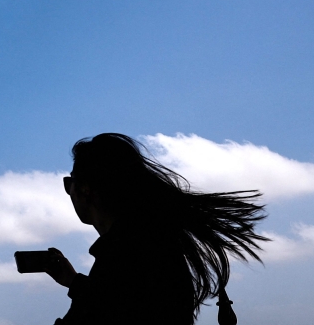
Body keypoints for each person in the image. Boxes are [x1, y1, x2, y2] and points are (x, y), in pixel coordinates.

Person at [45, 133, 266, 324]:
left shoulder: (125, 252)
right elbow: (114, 303)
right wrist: (73, 282)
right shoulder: (148, 244)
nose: (69, 191)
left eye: (69, 183)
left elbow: (110, 311)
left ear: (85, 189)